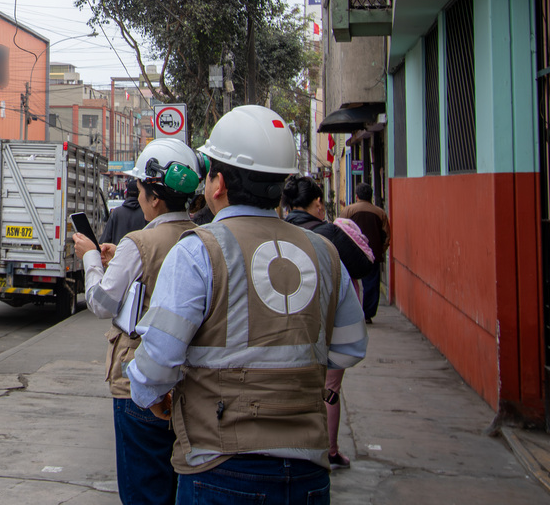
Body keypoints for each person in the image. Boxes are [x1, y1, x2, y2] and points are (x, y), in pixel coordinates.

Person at [126, 105, 368, 505]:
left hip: (220, 464)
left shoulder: (199, 251)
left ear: (217, 183)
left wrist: (147, 392)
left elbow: (156, 363)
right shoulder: (325, 252)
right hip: (308, 468)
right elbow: (350, 348)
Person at [75, 138, 203, 505]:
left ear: (155, 198)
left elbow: (101, 303)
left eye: (141, 188)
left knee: (143, 490)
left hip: (140, 380)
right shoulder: (202, 238)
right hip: (192, 381)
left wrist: (90, 258)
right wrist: (121, 257)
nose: (139, 195)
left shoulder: (140, 241)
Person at [282, 174, 374, 470]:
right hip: (328, 324)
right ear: (318, 203)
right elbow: (363, 266)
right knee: (330, 389)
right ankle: (329, 450)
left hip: (287, 323)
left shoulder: (278, 232)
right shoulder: (329, 234)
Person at [343, 183, 389, 323]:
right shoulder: (380, 212)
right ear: (371, 196)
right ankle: (368, 314)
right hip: (372, 254)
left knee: (349, 283)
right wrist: (381, 249)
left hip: (351, 253)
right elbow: (386, 236)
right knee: (371, 284)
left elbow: (340, 230)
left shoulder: (348, 210)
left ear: (357, 196)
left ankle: (351, 313)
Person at [101, 176, 148, 245]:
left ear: (126, 194)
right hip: (140, 251)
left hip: (117, 250)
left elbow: (104, 241)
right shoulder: (146, 214)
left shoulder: (116, 213)